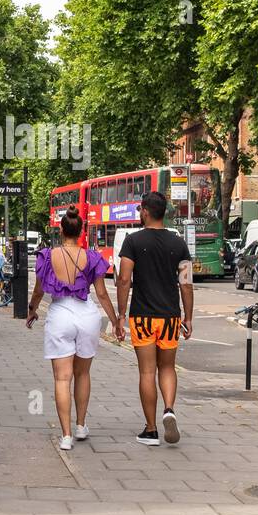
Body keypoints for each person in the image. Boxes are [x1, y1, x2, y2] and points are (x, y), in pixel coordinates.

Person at [27, 206, 120, 450]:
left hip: (60, 316)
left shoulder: (47, 256)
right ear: (81, 231)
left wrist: (32, 311)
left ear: (60, 229)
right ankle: (81, 426)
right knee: (83, 374)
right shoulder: (91, 257)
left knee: (62, 377)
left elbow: (38, 291)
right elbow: (101, 293)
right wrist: (116, 320)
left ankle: (66, 435)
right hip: (87, 315)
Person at [116, 191, 193, 446]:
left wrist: (120, 315)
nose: (140, 214)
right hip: (170, 316)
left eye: (140, 210)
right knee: (168, 367)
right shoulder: (178, 243)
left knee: (147, 371)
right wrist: (188, 317)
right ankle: (168, 409)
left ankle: (150, 430)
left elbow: (124, 279)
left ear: (146, 211)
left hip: (143, 317)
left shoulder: (133, 241)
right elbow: (186, 283)